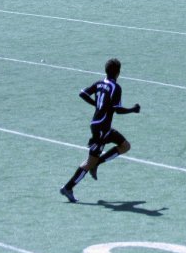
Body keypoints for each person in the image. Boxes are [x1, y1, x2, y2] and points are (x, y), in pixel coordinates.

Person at [59, 58, 141, 203]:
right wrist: (132, 110)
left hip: (101, 126)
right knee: (90, 161)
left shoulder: (99, 83)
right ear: (118, 73)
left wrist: (97, 105)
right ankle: (68, 187)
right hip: (102, 129)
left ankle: (95, 165)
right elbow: (118, 110)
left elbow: (83, 93)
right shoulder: (116, 88)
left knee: (125, 146)